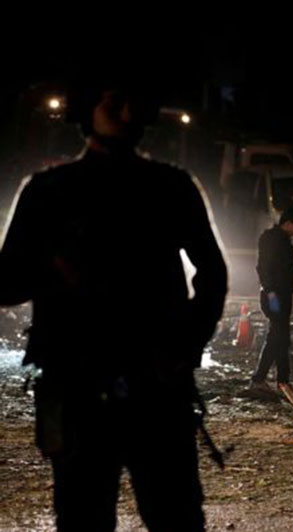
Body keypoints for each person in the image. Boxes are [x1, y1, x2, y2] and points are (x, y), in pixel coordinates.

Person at [0, 76, 228, 532]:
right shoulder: (49, 191)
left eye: (134, 99)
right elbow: (7, 283)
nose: (127, 111)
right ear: (87, 108)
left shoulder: (170, 186)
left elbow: (213, 275)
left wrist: (183, 348)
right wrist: (56, 268)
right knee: (88, 515)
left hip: (154, 384)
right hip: (79, 383)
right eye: (114, 99)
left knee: (173, 515)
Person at [249, 205, 293, 396]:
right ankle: (267, 379)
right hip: (275, 296)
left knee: (280, 336)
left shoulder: (281, 240)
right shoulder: (273, 240)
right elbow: (264, 266)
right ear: (288, 223)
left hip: (281, 294)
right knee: (278, 336)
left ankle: (280, 380)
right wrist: (270, 291)